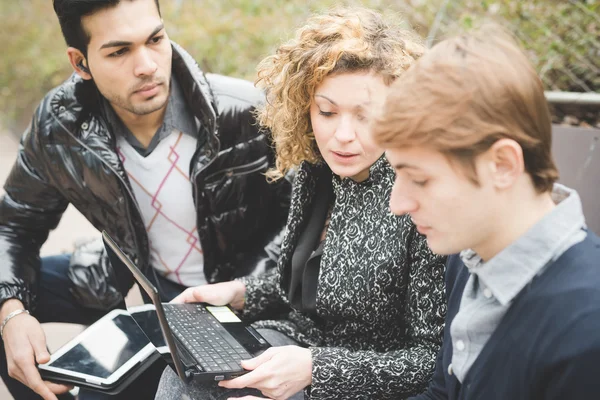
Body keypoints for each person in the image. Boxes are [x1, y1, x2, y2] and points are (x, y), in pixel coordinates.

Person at [0, 0, 291, 399]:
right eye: (119, 51)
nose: (147, 65)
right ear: (80, 63)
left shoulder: (246, 113)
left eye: (155, 39)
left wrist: (245, 287)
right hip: (130, 285)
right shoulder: (60, 125)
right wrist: (12, 314)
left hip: (233, 302)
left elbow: (305, 228)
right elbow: (14, 225)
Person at [154, 7, 447, 400]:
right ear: (305, 109)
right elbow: (301, 289)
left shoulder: (417, 196)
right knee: (184, 374)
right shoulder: (316, 171)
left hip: (358, 382)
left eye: (365, 116)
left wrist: (315, 369)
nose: (342, 135)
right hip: (293, 345)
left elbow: (431, 359)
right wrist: (238, 294)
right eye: (326, 112)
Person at [372, 25, 600, 400]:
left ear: (503, 164)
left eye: (421, 179)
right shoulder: (471, 259)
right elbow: (444, 394)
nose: (398, 205)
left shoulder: (586, 329)